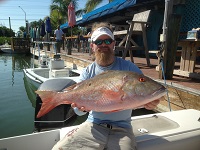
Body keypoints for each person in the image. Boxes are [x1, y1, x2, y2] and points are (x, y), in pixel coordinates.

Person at [52, 22, 160, 150]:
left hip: (123, 129)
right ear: (92, 46)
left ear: (114, 44)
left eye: (108, 41)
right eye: (98, 42)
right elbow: (77, 112)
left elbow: (143, 90)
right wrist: (80, 108)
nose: (103, 45)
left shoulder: (129, 68)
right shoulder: (87, 72)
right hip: (93, 126)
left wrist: (153, 102)